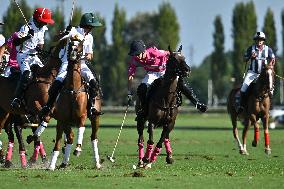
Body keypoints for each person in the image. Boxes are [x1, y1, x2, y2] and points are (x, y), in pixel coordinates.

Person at [39, 12, 102, 120]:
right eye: (90, 27)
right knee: (58, 81)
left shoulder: (90, 37)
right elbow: (55, 39)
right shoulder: (73, 31)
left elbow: (90, 55)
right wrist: (65, 33)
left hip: (81, 64)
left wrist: (87, 56)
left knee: (93, 81)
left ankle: (91, 106)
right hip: (67, 63)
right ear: (86, 25)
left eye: (91, 27)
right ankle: (48, 106)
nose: (91, 29)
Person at [127, 40, 207, 122]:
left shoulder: (154, 52)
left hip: (164, 70)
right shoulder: (135, 60)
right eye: (134, 54)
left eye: (137, 54)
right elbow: (130, 76)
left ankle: (197, 103)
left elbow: (169, 53)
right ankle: (143, 111)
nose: (136, 56)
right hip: (152, 73)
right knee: (142, 88)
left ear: (143, 51)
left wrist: (177, 54)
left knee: (181, 84)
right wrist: (129, 92)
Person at [10, 8, 55, 109]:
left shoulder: (42, 29)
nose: (46, 24)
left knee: (46, 73)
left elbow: (40, 44)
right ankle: (17, 98)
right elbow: (15, 42)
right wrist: (27, 36)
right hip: (23, 56)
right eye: (45, 21)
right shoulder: (26, 28)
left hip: (34, 56)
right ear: (39, 19)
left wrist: (39, 49)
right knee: (27, 74)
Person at [238, 31, 276, 113]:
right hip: (252, 72)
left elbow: (273, 59)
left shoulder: (268, 49)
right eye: (257, 39)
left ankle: (270, 107)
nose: (259, 41)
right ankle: (242, 106)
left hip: (264, 74)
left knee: (271, 89)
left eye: (261, 39)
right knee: (243, 88)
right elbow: (244, 59)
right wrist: (250, 56)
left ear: (263, 40)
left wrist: (271, 64)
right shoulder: (250, 49)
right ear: (255, 40)